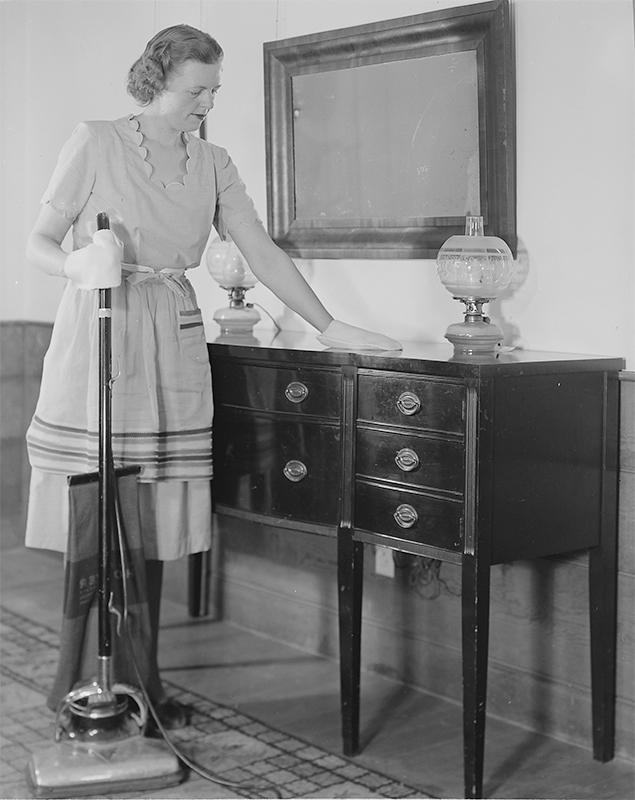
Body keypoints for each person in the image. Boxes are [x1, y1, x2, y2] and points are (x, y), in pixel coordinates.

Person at [24, 23, 400, 731]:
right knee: (94, 509)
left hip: (169, 335)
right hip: (98, 329)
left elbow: (259, 250)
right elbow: (38, 241)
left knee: (153, 511)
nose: (205, 103)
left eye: (213, 91)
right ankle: (72, 681)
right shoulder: (95, 139)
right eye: (195, 89)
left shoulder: (214, 161)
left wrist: (328, 324)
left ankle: (143, 682)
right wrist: (76, 265)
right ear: (155, 79)